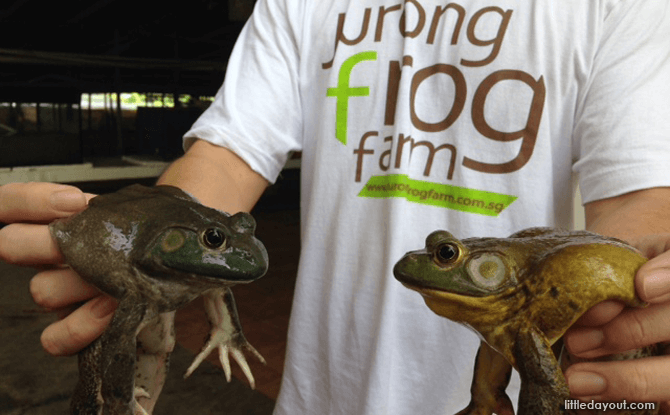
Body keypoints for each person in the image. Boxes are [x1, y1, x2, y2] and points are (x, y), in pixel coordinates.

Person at [2, 0, 670, 413]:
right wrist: (128, 231)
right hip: (323, 395)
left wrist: (642, 309)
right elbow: (225, 161)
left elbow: (639, 208)